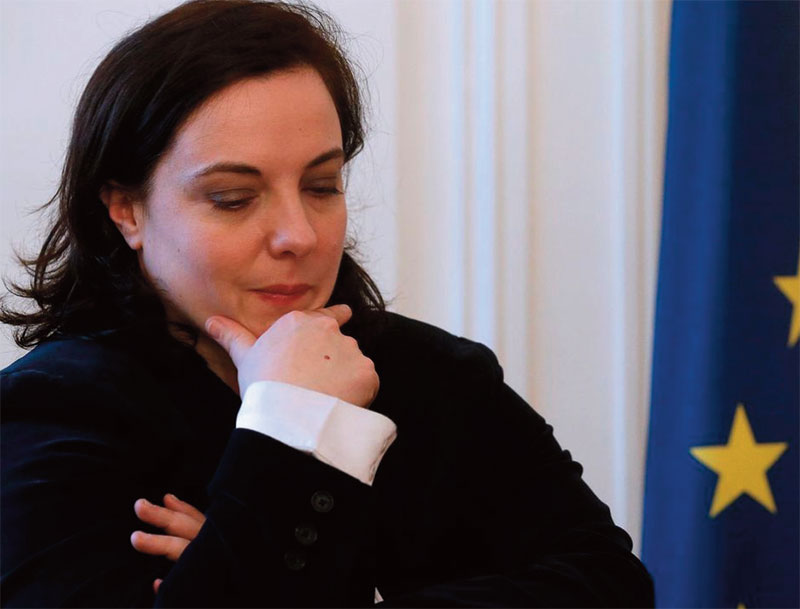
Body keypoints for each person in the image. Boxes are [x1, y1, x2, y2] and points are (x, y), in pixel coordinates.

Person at [0, 1, 654, 606]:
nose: (300, 236)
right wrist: (292, 422)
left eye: (321, 186)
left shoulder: (438, 375)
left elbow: (613, 586)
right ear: (126, 209)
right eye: (233, 198)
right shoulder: (55, 411)